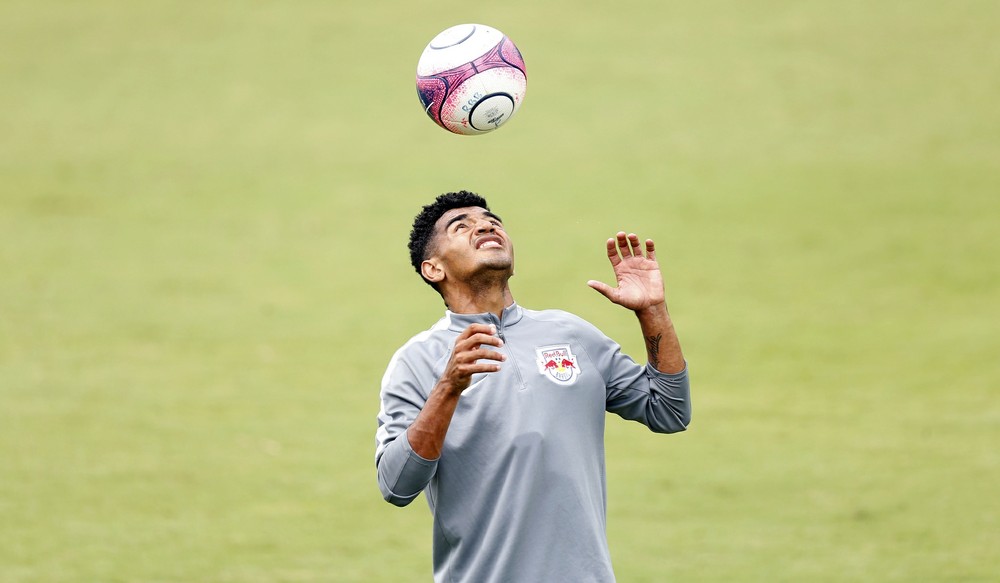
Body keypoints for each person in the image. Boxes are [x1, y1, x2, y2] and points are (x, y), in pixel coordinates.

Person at [375, 190, 691, 583]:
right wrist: (448, 388)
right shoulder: (417, 360)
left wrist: (652, 311)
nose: (485, 227)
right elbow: (396, 486)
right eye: (462, 226)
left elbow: (669, 411)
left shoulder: (570, 333)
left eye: (492, 221)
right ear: (433, 269)